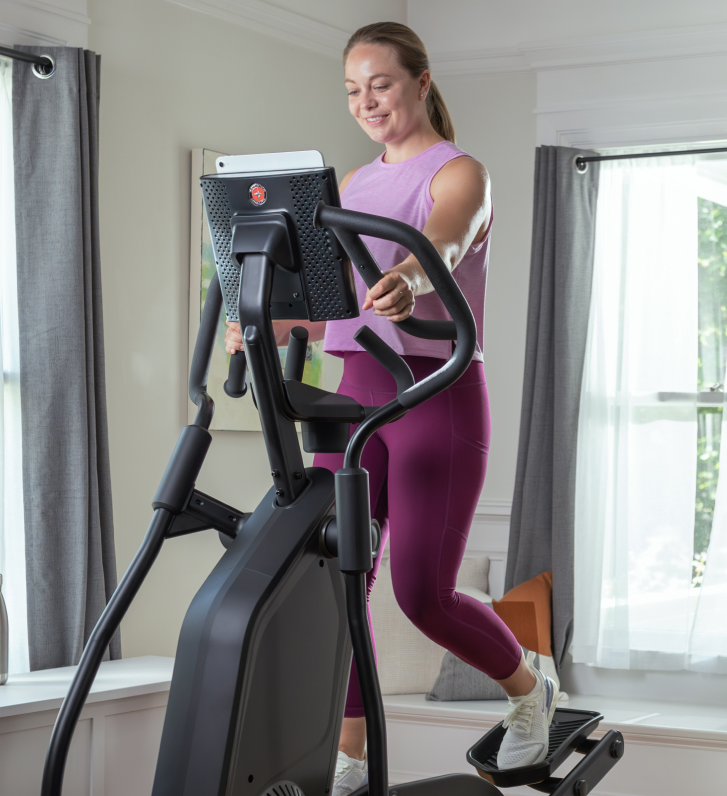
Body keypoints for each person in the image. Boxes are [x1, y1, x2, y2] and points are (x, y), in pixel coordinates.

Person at [223, 20, 555, 796]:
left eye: (381, 83)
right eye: (352, 90)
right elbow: (328, 307)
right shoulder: (347, 191)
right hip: (355, 395)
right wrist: (263, 324)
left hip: (434, 391)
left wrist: (409, 274)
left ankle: (530, 693)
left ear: (421, 82)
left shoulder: (460, 171)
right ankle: (349, 757)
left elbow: (450, 233)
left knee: (421, 593)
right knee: (337, 581)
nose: (366, 102)